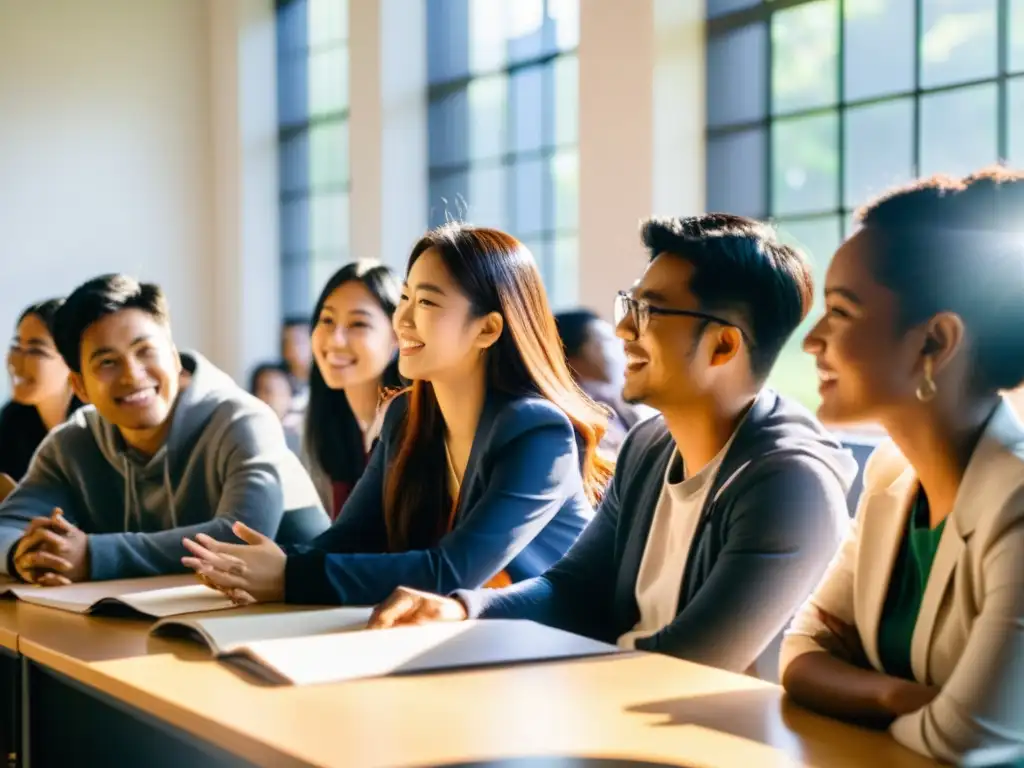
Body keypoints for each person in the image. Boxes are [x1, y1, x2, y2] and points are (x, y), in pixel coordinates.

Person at [368, 214, 857, 676]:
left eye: (650, 311)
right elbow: (574, 589)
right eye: (631, 303)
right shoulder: (649, 444)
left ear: (723, 346)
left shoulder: (790, 483)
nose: (622, 329)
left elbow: (687, 667)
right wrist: (460, 609)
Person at [180, 223, 613, 607]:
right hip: (456, 640)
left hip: (552, 649)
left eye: (425, 302)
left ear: (488, 328)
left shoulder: (538, 431)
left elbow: (451, 572)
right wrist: (259, 565)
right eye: (404, 297)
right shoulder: (406, 414)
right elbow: (351, 538)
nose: (402, 319)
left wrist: (289, 577)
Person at [777, 168, 1024, 762]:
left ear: (935, 342)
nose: (812, 341)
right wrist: (899, 698)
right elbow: (802, 654)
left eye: (840, 311)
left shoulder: (1017, 501)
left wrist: (870, 696)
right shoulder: (892, 473)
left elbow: (966, 740)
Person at [0, 274, 329, 585]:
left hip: (295, 623)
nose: (133, 375)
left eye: (145, 351)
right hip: (161, 622)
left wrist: (94, 556)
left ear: (173, 358)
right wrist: (23, 556)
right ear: (80, 386)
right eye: (107, 362)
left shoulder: (244, 421)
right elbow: (6, 526)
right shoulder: (71, 443)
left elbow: (242, 536)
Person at [301, 261, 403, 519]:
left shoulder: (409, 426)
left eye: (358, 324)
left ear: (398, 336)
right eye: (327, 320)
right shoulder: (329, 421)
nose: (335, 340)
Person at [0, 299, 83, 487]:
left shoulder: (95, 427)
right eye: (16, 346)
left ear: (72, 362)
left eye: (35, 350)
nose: (17, 361)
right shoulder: (14, 419)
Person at [555, 308, 648, 455]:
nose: (622, 351)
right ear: (571, 359)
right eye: (606, 342)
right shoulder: (566, 418)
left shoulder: (622, 406)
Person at [248, 362, 301, 453]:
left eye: (280, 390)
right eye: (267, 391)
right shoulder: (244, 436)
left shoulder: (301, 438)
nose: (273, 398)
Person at [281, 315, 312, 408]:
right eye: (286, 342)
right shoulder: (276, 378)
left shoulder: (327, 381)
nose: (291, 347)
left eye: (297, 341)